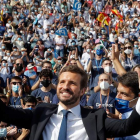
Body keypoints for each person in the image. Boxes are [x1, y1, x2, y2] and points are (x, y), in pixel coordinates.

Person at [0, 65, 140, 140]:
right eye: (62, 82)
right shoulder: (41, 112)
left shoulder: (96, 117)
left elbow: (129, 127)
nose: (65, 86)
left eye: (72, 83)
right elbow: (5, 113)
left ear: (83, 90)